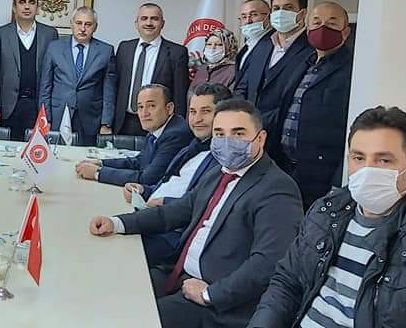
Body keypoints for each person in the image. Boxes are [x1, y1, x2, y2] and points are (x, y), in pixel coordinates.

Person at [248, 106, 406, 328]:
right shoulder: (325, 212)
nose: (367, 170)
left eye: (383, 160)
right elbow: (287, 284)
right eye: (359, 158)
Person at [89, 99, 303, 328]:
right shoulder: (217, 173)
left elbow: (268, 263)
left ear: (260, 139)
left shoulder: (277, 189)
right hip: (177, 275)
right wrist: (117, 223)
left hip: (216, 302)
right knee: (109, 290)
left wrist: (211, 294)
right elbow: (172, 214)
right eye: (219, 134)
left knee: (132, 320)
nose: (227, 142)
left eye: (238, 133)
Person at [122, 83, 232, 265]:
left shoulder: (224, 159)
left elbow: (205, 206)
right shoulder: (190, 148)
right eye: (193, 112)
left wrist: (164, 202)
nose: (197, 119)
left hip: (171, 236)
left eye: (205, 111)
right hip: (151, 216)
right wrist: (144, 190)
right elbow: (170, 183)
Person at [275, 1, 355, 209]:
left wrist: (339, 179)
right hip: (285, 167)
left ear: (345, 32)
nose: (323, 28)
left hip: (320, 176)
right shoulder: (303, 64)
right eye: (317, 22)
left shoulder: (352, 70)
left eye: (332, 23)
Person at [234, 0, 314, 144]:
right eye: (276, 8)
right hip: (248, 137)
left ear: (302, 13)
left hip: (284, 140)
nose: (281, 13)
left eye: (288, 8)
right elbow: (243, 87)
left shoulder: (312, 51)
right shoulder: (261, 46)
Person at [74, 84, 191, 186]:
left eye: (151, 106)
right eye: (140, 107)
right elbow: (139, 162)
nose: (144, 113)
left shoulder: (175, 134)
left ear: (169, 108)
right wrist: (101, 163)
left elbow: (147, 179)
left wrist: (97, 173)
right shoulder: (158, 127)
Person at [0, 0, 59, 140]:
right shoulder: (1, 33)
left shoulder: (50, 34)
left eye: (32, 3)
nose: (27, 7)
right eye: (22, 2)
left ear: (37, 8)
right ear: (14, 8)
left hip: (38, 105)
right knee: (7, 149)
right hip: (9, 107)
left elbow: (54, 73)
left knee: (36, 150)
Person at [39, 7, 117, 145]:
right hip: (58, 115)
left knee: (86, 156)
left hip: (90, 118)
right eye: (79, 23)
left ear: (95, 27)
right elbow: (45, 86)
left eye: (88, 24)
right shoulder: (54, 48)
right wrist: (46, 119)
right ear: (71, 24)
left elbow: (109, 90)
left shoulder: (106, 51)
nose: (83, 28)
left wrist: (106, 123)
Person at [113, 2, 191, 136]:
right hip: (123, 122)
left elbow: (180, 95)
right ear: (136, 23)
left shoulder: (177, 53)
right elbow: (115, 86)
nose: (149, 23)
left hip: (159, 125)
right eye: (144, 18)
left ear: (162, 23)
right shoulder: (124, 48)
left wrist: (176, 129)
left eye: (154, 19)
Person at [189, 28, 238, 103]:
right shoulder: (202, 69)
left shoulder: (233, 71)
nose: (213, 48)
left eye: (219, 44)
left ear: (229, 47)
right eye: (209, 44)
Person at [234, 0, 272, 73]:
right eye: (244, 17)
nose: (248, 21)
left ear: (269, 16)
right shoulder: (246, 47)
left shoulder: (276, 44)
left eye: (254, 15)